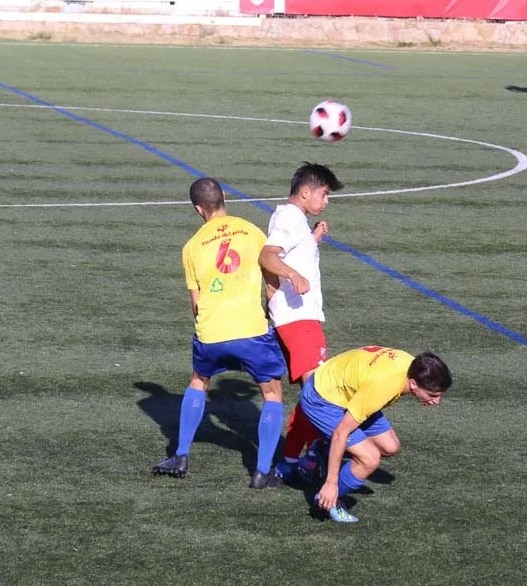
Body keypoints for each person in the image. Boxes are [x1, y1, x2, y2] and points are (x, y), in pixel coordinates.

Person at [151, 177, 287, 489]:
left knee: (199, 381)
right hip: (251, 330)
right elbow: (271, 284)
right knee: (271, 393)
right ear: (224, 196)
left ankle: (181, 455)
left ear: (198, 209)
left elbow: (195, 303)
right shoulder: (252, 231)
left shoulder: (191, 246)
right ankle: (262, 471)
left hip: (211, 332)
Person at [258, 162, 344, 485]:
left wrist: (312, 238)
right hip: (298, 320)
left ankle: (297, 457)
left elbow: (289, 252)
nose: (327, 201)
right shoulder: (290, 218)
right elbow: (267, 255)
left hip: (298, 318)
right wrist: (293, 275)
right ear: (305, 192)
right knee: (318, 392)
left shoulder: (295, 221)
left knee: (314, 391)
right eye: (324, 194)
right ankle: (302, 457)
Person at [301, 346, 453, 523]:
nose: (436, 401)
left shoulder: (412, 365)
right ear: (413, 384)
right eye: (432, 395)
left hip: (350, 393)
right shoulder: (384, 386)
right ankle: (327, 500)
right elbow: (340, 433)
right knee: (369, 459)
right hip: (322, 399)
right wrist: (331, 483)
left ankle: (322, 451)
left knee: (390, 447)